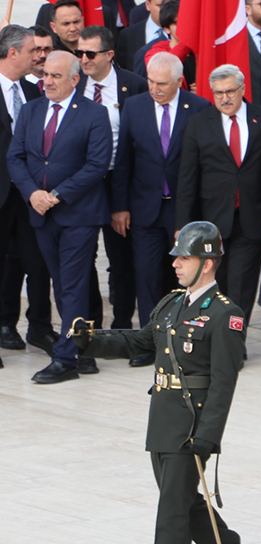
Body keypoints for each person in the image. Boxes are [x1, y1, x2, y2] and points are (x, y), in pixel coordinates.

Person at [69, 220, 261, 544]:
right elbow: (141, 341)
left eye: (183, 258)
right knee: (184, 504)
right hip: (162, 420)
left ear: (206, 263)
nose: (174, 263)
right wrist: (92, 341)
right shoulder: (173, 303)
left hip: (190, 429)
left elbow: (224, 384)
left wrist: (207, 437)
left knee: (171, 514)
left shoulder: (225, 315)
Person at [8, 50, 112, 383]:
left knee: (73, 284)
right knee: (61, 282)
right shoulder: (30, 110)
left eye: (55, 76)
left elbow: (97, 165)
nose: (47, 81)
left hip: (78, 214)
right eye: (45, 75)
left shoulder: (95, 114)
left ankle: (66, 357)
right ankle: (82, 348)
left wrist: (57, 195)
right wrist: (32, 194)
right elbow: (16, 157)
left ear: (74, 79)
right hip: (40, 213)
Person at [113, 52, 210, 366]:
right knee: (147, 274)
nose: (154, 88)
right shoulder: (135, 106)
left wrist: (192, 217)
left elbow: (201, 166)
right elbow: (124, 162)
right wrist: (120, 207)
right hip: (144, 209)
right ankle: (150, 343)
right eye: (151, 81)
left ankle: (185, 342)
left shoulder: (198, 108)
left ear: (180, 82)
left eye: (162, 84)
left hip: (185, 212)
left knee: (188, 278)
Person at [176, 64, 261, 326]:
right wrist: (182, 225)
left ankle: (232, 341)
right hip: (212, 220)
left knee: (242, 284)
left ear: (242, 89)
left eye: (230, 91)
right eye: (218, 93)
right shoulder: (199, 123)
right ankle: (210, 336)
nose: (225, 98)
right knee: (212, 283)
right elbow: (187, 177)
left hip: (251, 216)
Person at [78, 25, 149, 333]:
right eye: (79, 53)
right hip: (82, 184)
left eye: (90, 53)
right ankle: (89, 321)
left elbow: (141, 141)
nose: (83, 59)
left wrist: (122, 200)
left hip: (120, 180)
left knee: (121, 258)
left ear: (109, 54)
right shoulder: (74, 83)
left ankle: (122, 322)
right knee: (83, 255)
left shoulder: (133, 85)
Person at [0, 25, 54, 366]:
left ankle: (39, 327)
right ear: (13, 52)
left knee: (39, 263)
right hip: (1, 195)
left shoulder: (34, 94)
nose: (39, 56)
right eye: (33, 50)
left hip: (31, 196)